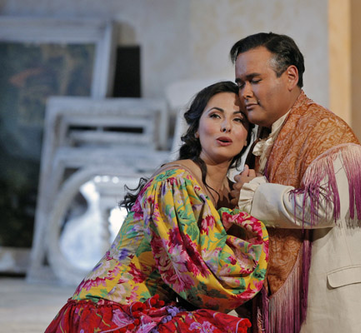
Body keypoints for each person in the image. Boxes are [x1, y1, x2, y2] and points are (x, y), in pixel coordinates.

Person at [45, 81, 269, 333]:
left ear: (247, 136)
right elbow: (201, 278)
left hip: (150, 311)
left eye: (238, 120)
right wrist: (245, 213)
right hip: (111, 311)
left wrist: (246, 198)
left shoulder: (228, 192)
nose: (226, 125)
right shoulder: (175, 182)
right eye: (215, 115)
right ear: (196, 129)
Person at [229, 32, 361, 333]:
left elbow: (325, 205)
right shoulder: (266, 135)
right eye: (240, 83)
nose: (245, 92)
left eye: (254, 80)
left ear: (290, 76)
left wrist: (252, 194)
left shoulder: (325, 130)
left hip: (335, 299)